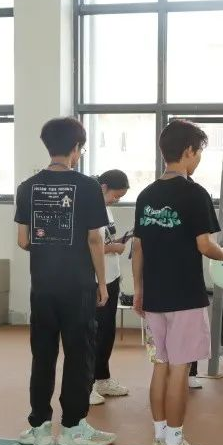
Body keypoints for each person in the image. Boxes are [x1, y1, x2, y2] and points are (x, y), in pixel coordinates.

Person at [132, 120, 223, 445]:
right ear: (188, 151)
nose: (198, 159)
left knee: (160, 366)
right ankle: (175, 443)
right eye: (199, 152)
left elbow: (138, 246)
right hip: (184, 297)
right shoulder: (194, 194)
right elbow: (205, 245)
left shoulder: (146, 195)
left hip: (154, 296)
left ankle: (159, 439)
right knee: (180, 369)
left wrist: (139, 291)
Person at [15, 117, 116, 445]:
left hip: (42, 287)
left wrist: (49, 244)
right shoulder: (88, 187)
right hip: (78, 287)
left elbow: (23, 240)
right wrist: (103, 283)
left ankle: (40, 428)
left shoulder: (27, 187)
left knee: (42, 355)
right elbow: (94, 240)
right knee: (79, 355)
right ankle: (73, 428)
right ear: (76, 148)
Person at [90, 169, 130, 406]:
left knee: (107, 332)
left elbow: (104, 240)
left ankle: (102, 378)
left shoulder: (107, 209)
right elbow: (91, 245)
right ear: (103, 187)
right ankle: (87, 384)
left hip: (112, 277)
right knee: (94, 333)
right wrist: (114, 248)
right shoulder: (89, 208)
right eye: (116, 195)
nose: (116, 200)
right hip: (96, 279)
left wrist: (116, 243)